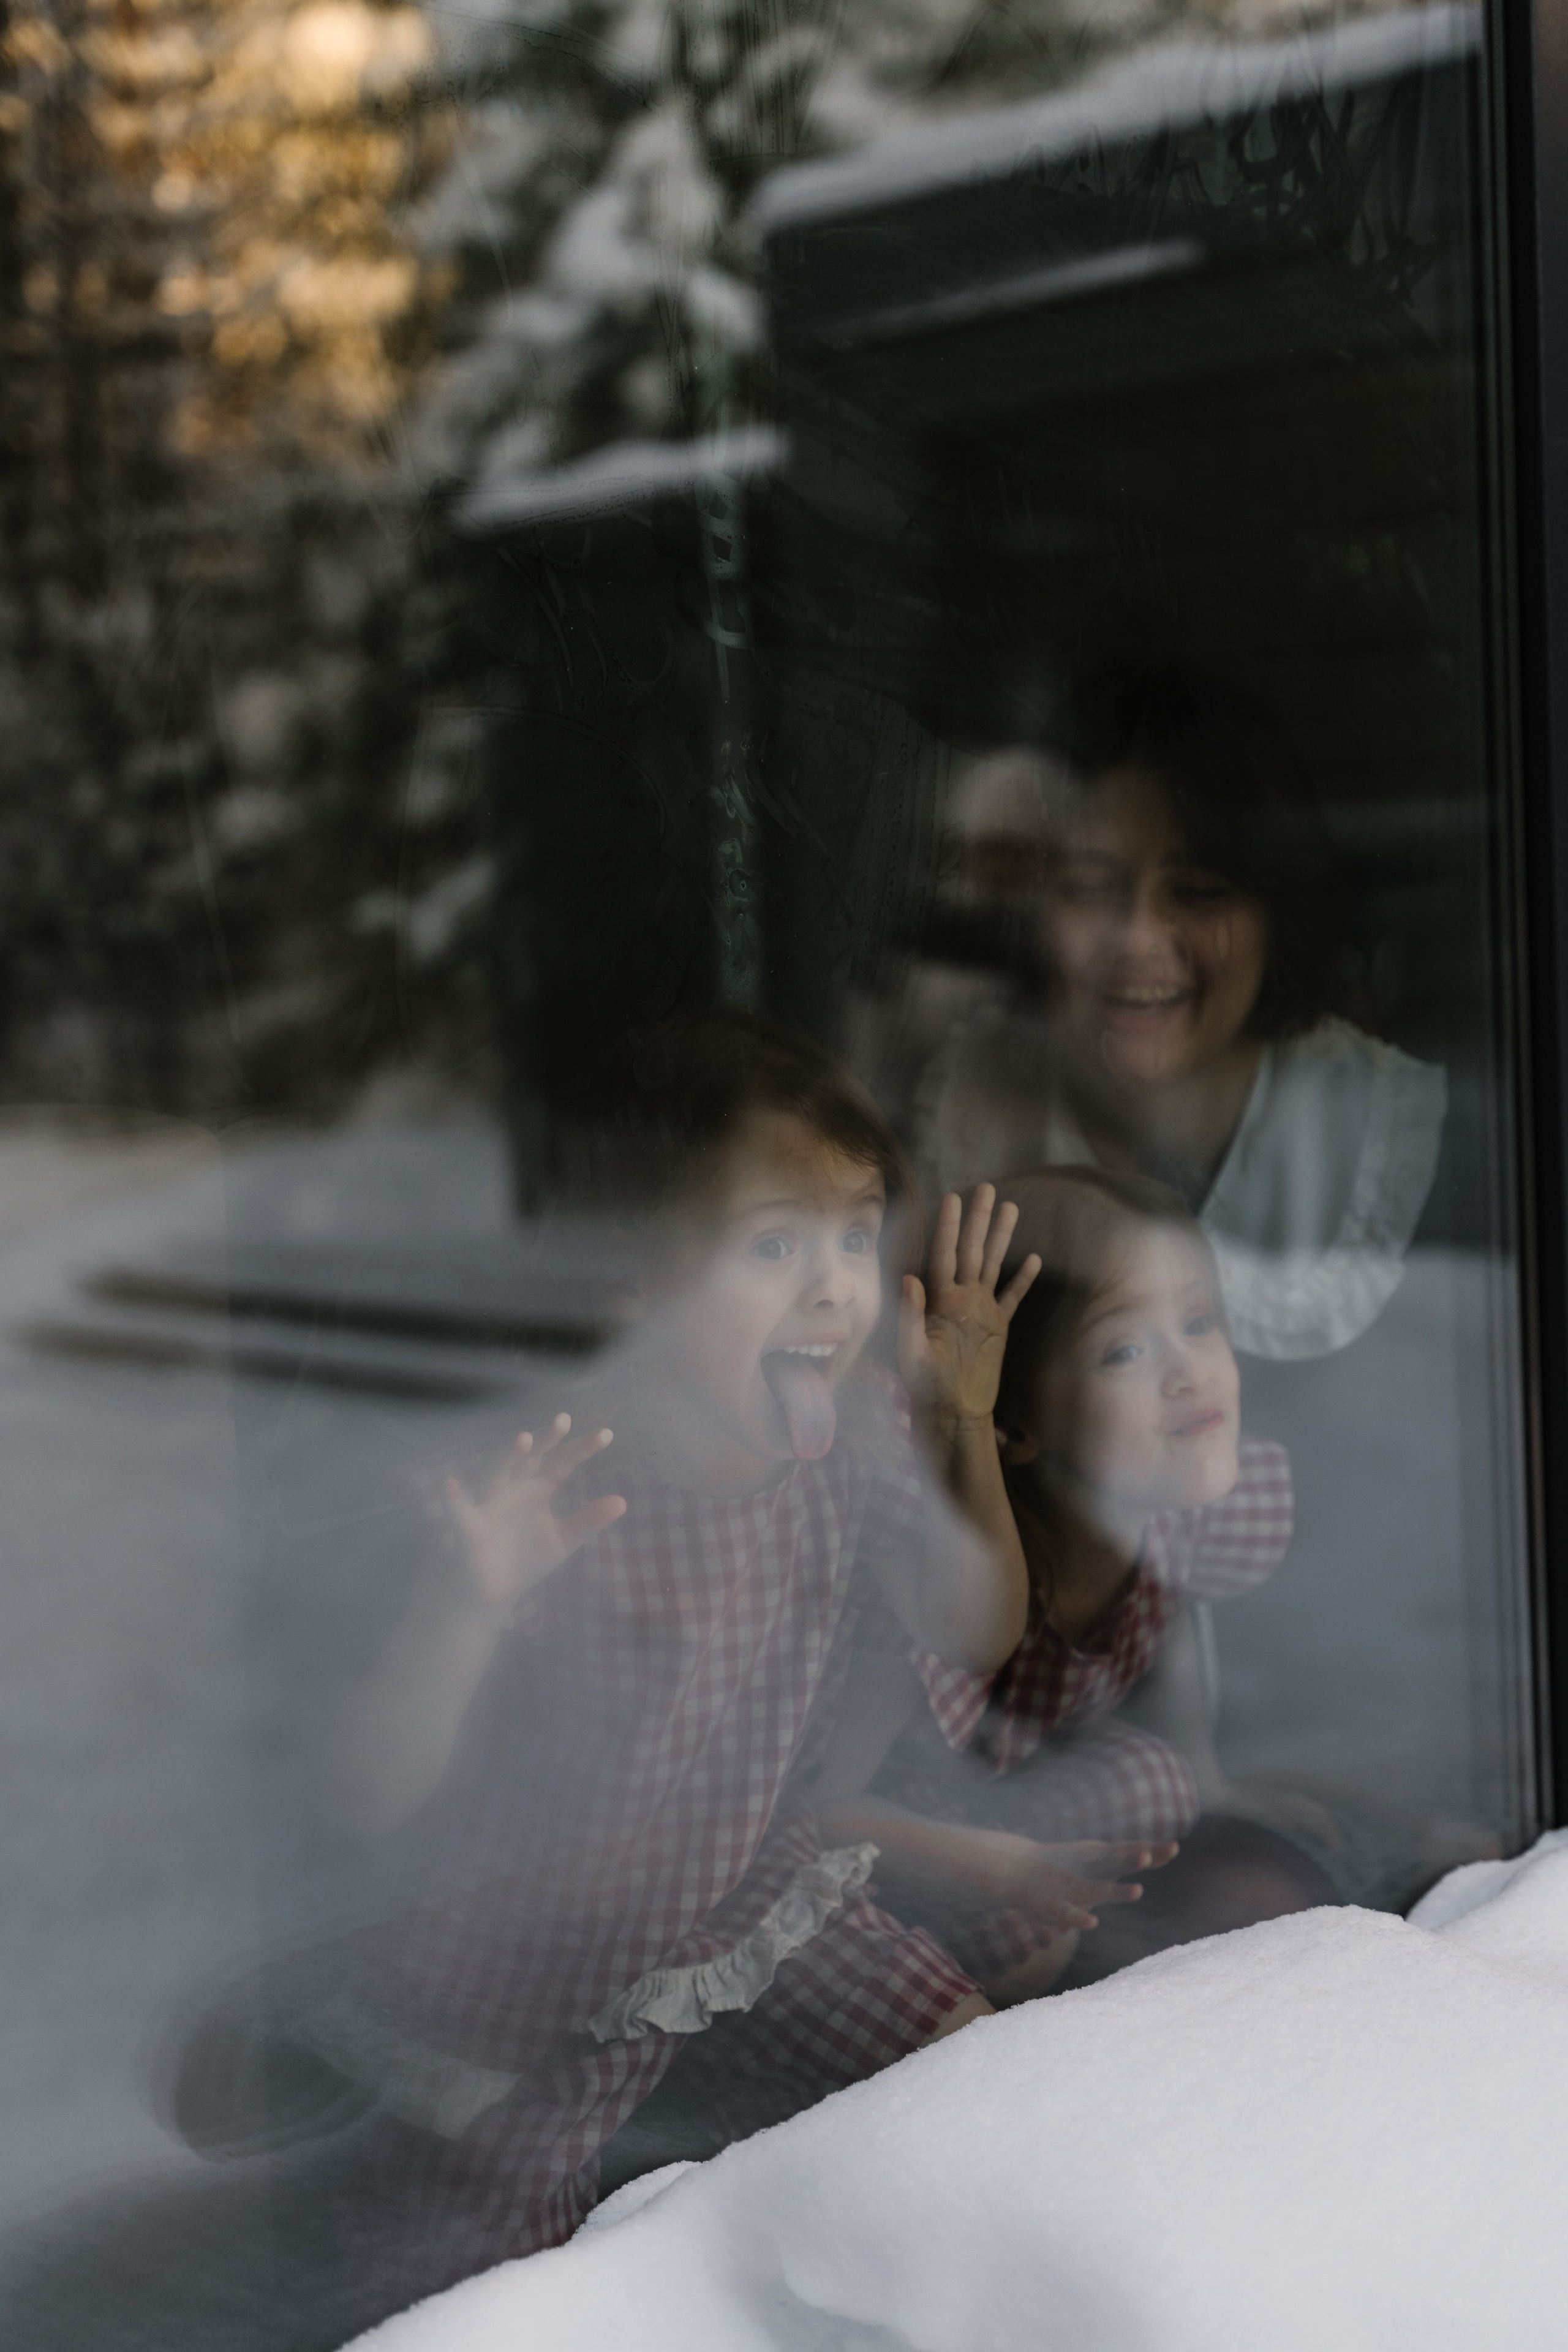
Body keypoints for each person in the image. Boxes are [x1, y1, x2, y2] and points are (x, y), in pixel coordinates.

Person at [0, 1016, 1047, 2352]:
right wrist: (468, 1607)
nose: (834, 1290)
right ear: (631, 1283)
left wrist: (964, 1421)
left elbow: (976, 1631)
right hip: (538, 1980)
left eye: (853, 1235)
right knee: (487, 2291)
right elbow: (373, 1790)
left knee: (963, 2075)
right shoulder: (554, 1484)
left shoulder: (851, 1440)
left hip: (739, 1900)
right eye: (772, 1246)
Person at [815, 1167, 1334, 2007]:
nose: (1188, 1372)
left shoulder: (1162, 1516)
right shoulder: (944, 1588)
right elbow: (821, 1808)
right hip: (897, 1864)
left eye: (1199, 1323)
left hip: (1030, 1811)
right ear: (1011, 1423)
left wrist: (1212, 1779)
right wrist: (987, 1863)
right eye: (1124, 1350)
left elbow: (1167, 1635)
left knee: (1156, 1780)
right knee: (1141, 1792)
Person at [918, 663, 1448, 1362]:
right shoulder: (968, 1116)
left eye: (1198, 891)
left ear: (1277, 914)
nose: (1139, 939)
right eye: (1088, 887)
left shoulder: (1395, 1145)